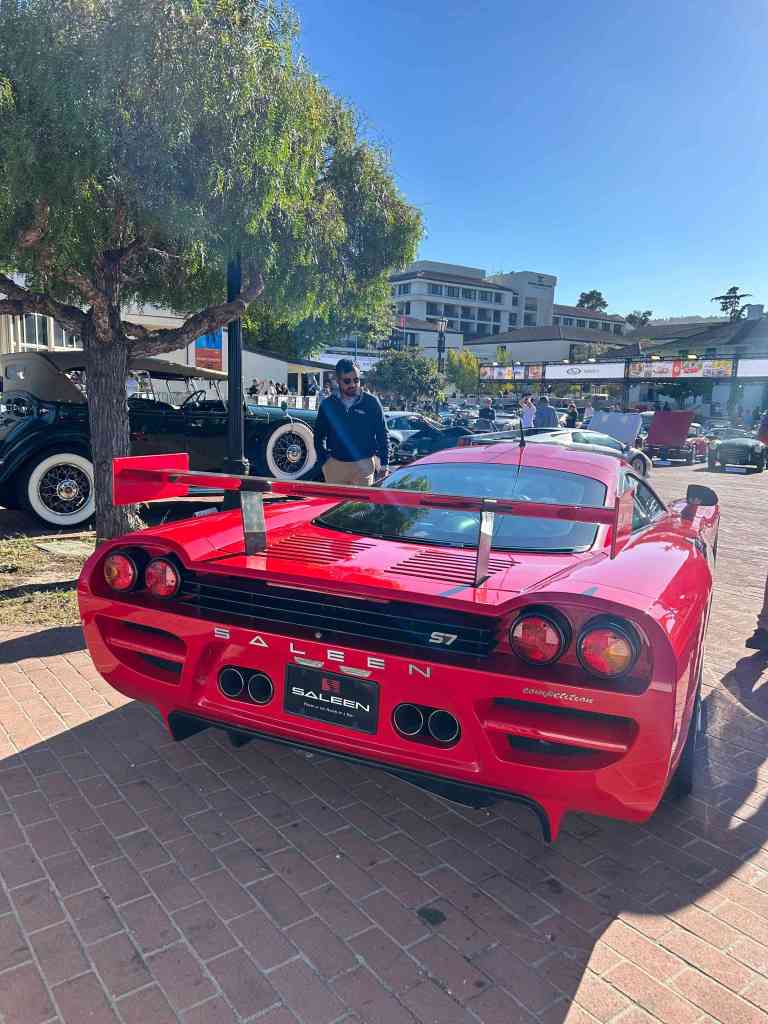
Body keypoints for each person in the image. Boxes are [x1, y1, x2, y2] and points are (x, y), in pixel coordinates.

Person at [314, 359, 389, 485]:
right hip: (335, 466)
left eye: (356, 380)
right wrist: (324, 462)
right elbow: (318, 436)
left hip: (364, 467)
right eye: (347, 381)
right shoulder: (328, 404)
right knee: (335, 499)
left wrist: (384, 464)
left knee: (363, 499)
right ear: (338, 380)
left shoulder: (371, 402)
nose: (353, 384)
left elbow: (383, 433)